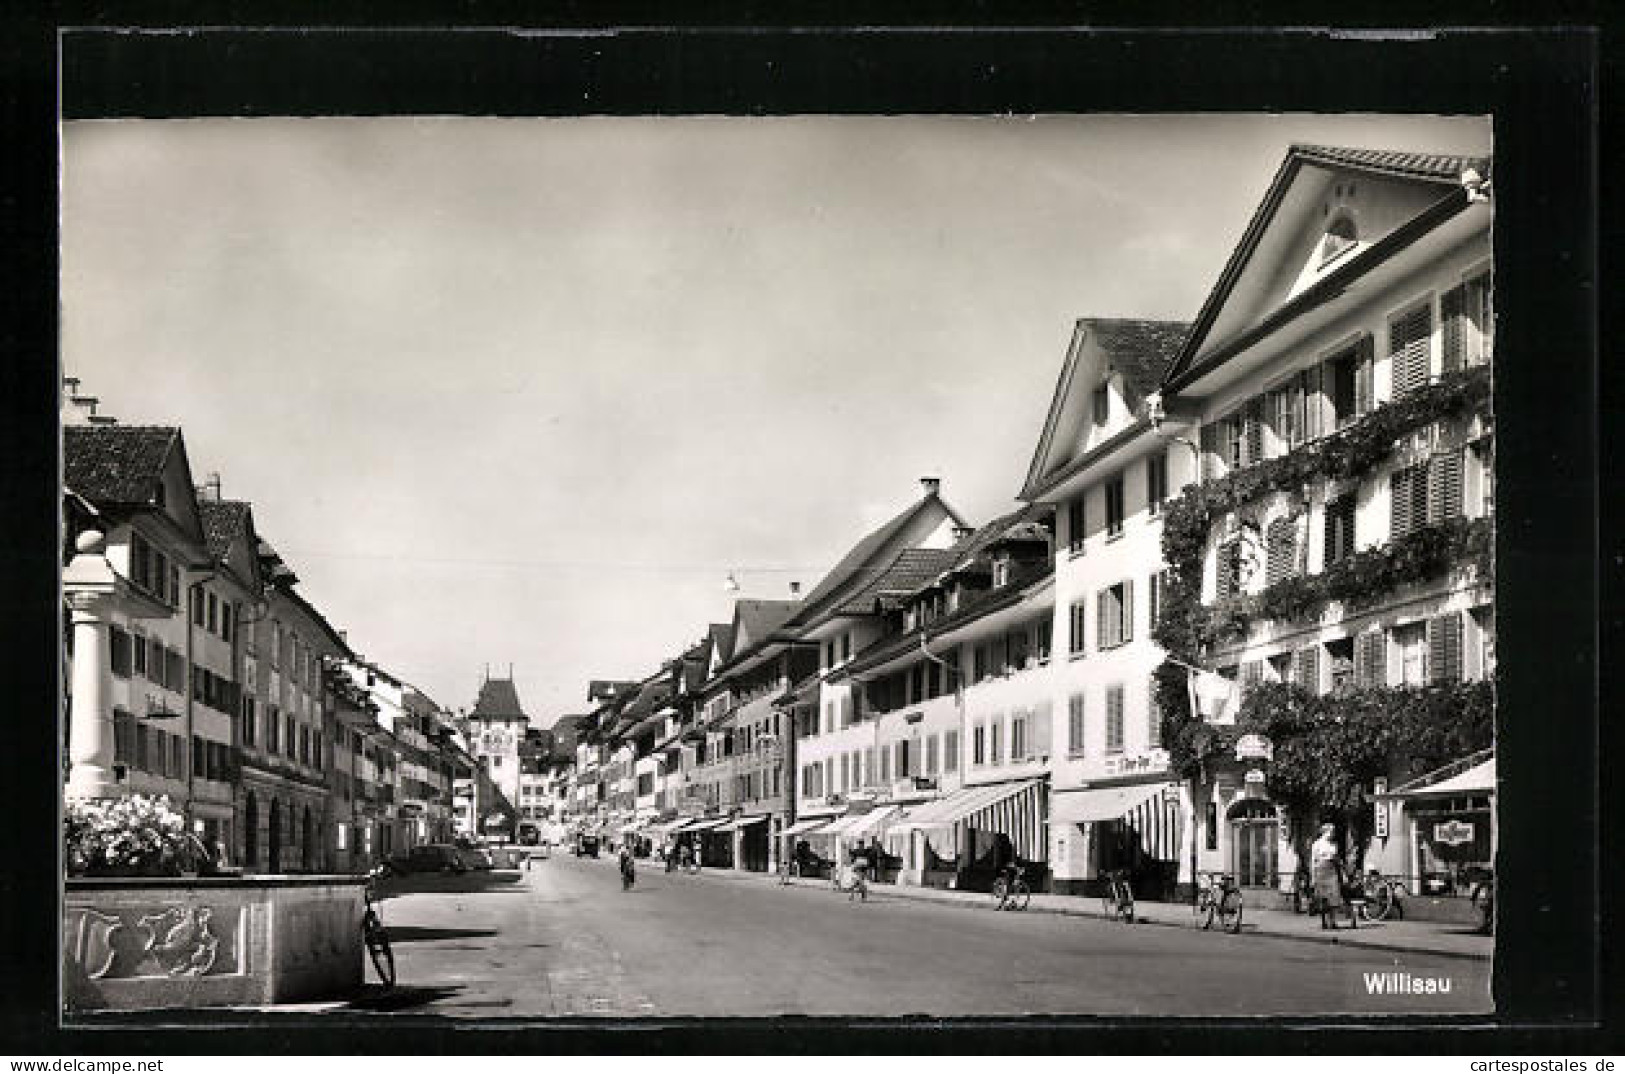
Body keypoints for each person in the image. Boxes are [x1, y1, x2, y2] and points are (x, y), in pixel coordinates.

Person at [1310, 822, 1355, 930]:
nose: (1333, 833)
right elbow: (1312, 860)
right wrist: (1312, 876)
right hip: (1321, 871)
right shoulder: (1316, 844)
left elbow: (1338, 859)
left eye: (1333, 831)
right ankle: (1324, 921)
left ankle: (1333, 921)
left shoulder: (1333, 844)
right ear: (1325, 832)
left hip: (1332, 871)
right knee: (1323, 898)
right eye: (1331, 831)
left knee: (1334, 897)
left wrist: (1343, 872)